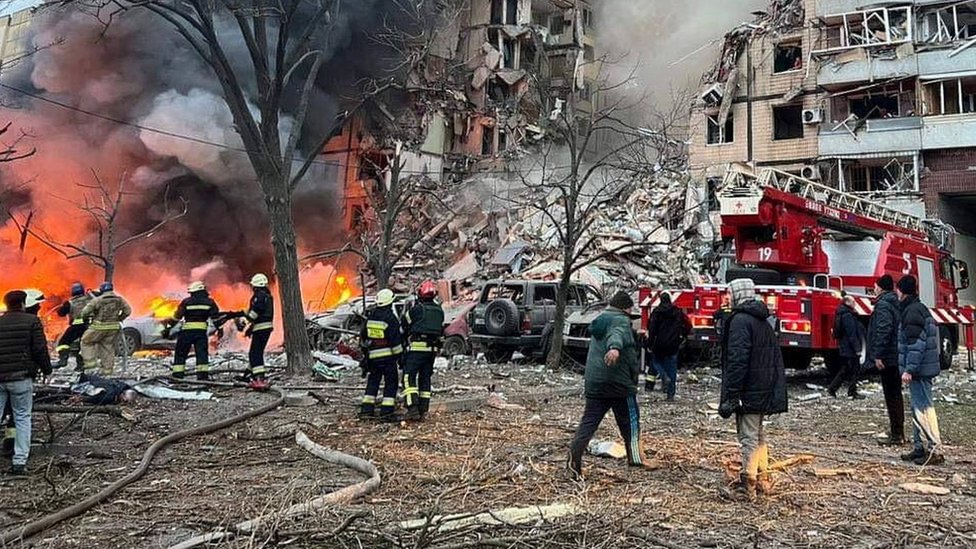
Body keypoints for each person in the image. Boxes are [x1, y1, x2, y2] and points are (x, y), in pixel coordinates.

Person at [719, 278, 788, 501]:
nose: (728, 297)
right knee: (757, 434)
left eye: (730, 293)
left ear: (738, 294)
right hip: (762, 385)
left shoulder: (740, 321)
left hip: (749, 388)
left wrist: (732, 393)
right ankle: (762, 478)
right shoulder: (762, 320)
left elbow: (737, 360)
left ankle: (746, 485)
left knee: (747, 435)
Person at [568, 291, 643, 480]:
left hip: (595, 383)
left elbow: (613, 334)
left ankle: (573, 460)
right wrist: (614, 349)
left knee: (588, 423)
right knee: (631, 422)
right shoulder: (621, 321)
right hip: (619, 383)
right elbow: (616, 335)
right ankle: (635, 458)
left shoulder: (601, 320)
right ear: (626, 308)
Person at [0, 290, 52, 475]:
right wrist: (47, 369)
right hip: (21, 378)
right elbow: (39, 349)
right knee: (22, 418)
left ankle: (9, 448)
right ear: (23, 304)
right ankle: (19, 462)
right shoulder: (32, 321)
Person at [896, 275, 945, 466]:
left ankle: (934, 449)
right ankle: (920, 447)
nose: (896, 292)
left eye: (898, 289)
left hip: (919, 370)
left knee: (924, 408)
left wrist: (909, 369)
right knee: (917, 407)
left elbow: (916, 344)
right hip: (923, 368)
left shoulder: (911, 312)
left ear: (902, 291)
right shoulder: (918, 308)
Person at [867, 274, 905, 446]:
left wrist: (878, 354)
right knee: (896, 394)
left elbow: (884, 329)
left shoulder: (883, 305)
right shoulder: (895, 302)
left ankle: (897, 434)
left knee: (891, 395)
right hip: (895, 355)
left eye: (875, 286)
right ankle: (898, 430)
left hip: (888, 357)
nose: (874, 289)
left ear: (880, 287)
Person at [402, 280, 444, 421]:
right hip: (431, 351)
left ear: (420, 294)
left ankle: (412, 408)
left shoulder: (417, 310)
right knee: (425, 379)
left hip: (416, 350)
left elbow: (404, 322)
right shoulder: (439, 311)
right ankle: (423, 410)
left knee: (408, 377)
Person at [359, 289, 403, 421]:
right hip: (387, 358)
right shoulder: (390, 318)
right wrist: (400, 357)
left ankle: (366, 411)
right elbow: (395, 341)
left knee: (373, 382)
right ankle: (386, 412)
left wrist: (366, 355)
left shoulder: (371, 317)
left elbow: (364, 336)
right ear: (390, 303)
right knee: (391, 383)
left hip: (373, 357)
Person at [169, 281, 220, 381]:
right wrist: (220, 329)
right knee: (201, 354)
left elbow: (177, 316)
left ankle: (177, 376)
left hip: (186, 332)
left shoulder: (186, 302)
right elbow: (216, 318)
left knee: (181, 353)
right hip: (200, 333)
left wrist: (169, 326)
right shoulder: (210, 302)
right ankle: (202, 377)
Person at [645, 293, 692, 401]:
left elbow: (652, 329)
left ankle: (663, 376)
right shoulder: (678, 312)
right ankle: (671, 395)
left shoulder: (656, 312)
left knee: (656, 362)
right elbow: (688, 325)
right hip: (673, 344)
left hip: (659, 344)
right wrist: (682, 336)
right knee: (672, 369)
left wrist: (649, 344)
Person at [80, 283, 132, 376]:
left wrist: (87, 318)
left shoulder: (98, 300)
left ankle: (91, 364)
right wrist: (119, 318)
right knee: (107, 346)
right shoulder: (120, 300)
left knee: (86, 341)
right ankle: (107, 370)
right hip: (113, 327)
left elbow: (85, 312)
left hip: (99, 326)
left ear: (102, 290)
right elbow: (128, 311)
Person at [829, 294, 865, 399]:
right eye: (853, 302)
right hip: (849, 347)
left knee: (846, 369)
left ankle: (833, 388)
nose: (855, 304)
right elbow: (851, 333)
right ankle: (851, 391)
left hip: (845, 346)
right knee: (854, 369)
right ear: (847, 302)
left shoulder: (842, 313)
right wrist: (857, 348)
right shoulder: (848, 315)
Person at [242, 274, 274, 390]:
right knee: (256, 352)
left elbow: (256, 311)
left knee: (255, 353)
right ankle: (248, 375)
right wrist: (250, 328)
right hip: (264, 327)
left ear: (256, 286)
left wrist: (246, 321)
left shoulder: (259, 296)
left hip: (261, 328)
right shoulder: (267, 296)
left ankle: (259, 378)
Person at [55, 282, 92, 371]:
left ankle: (63, 360)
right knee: (83, 346)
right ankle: (81, 365)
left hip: (76, 327)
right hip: (90, 326)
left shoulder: (70, 303)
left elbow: (61, 313)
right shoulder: (91, 300)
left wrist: (62, 307)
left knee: (63, 343)